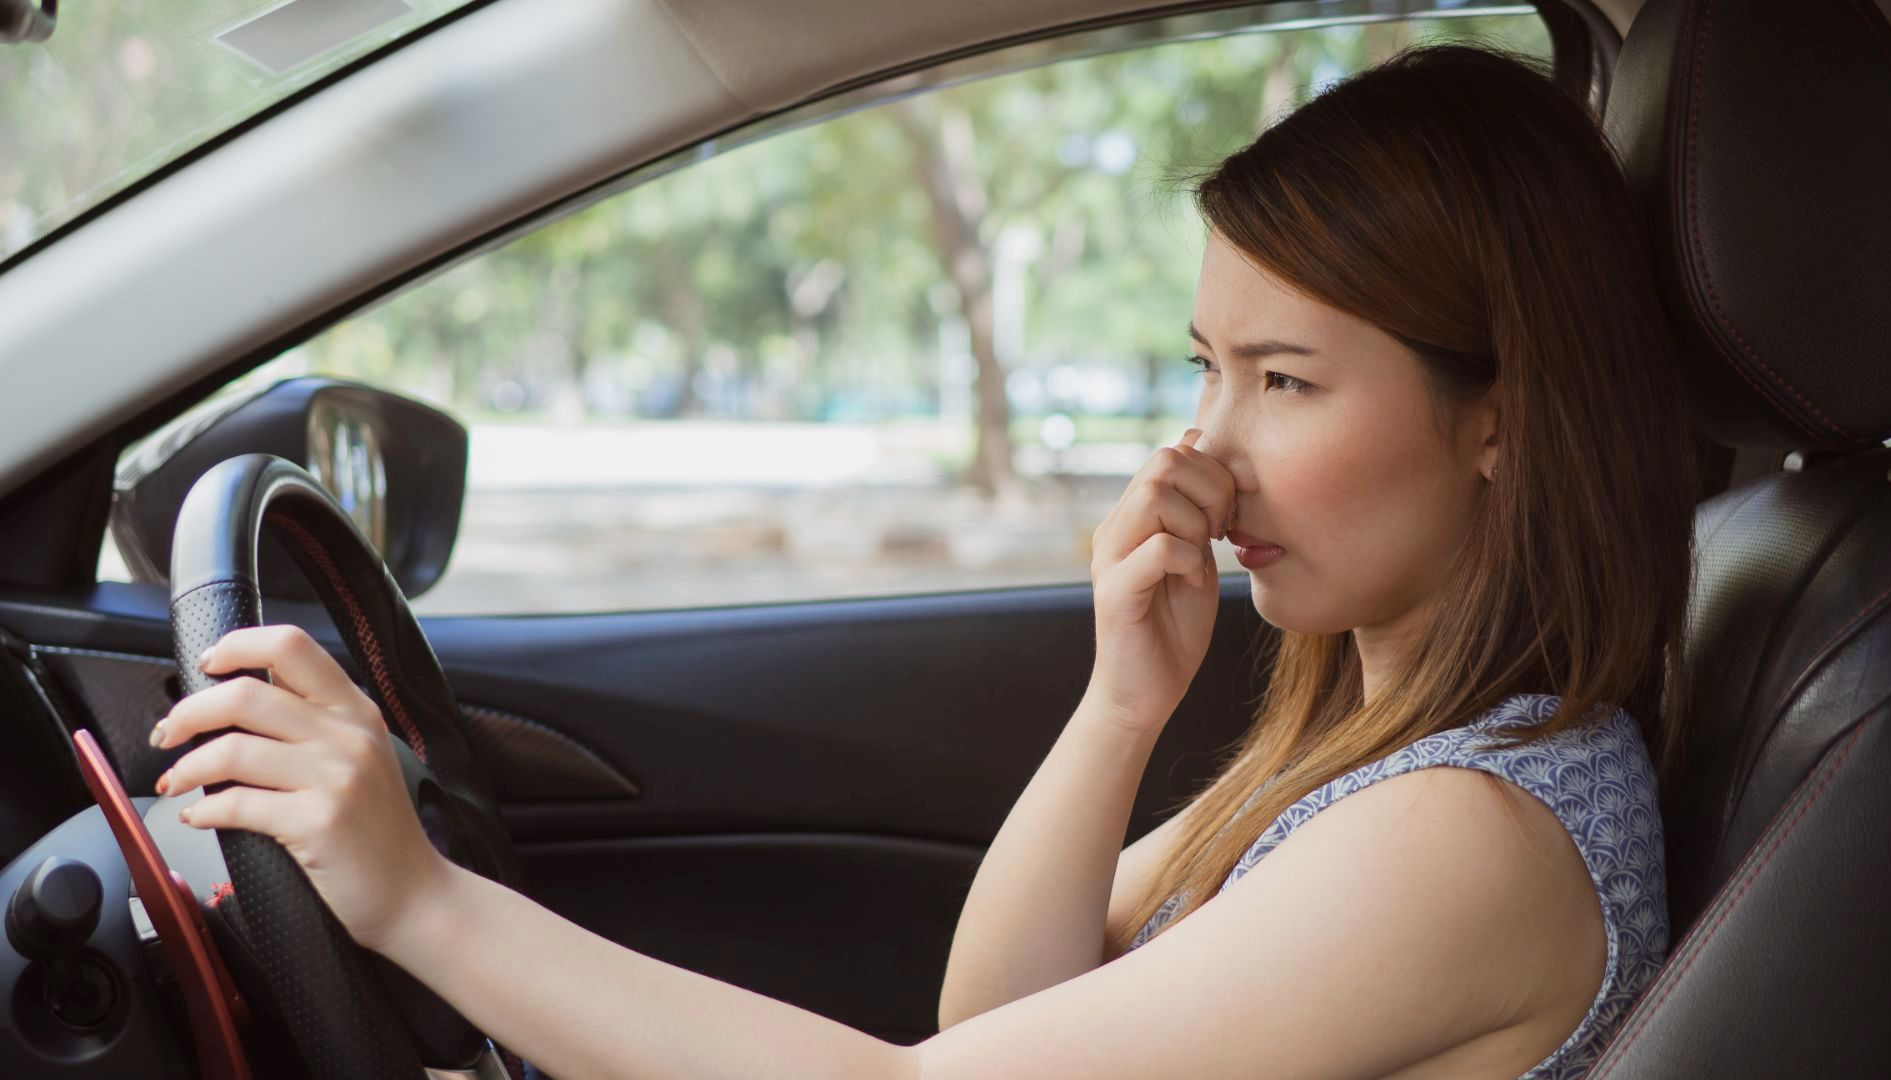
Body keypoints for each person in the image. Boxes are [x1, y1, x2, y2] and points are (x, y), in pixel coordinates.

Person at [144, 42, 1696, 1080]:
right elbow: (999, 1017)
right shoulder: (1373, 751)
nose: (1201, 452)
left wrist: (423, 903)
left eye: (1284, 382)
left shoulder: (1474, 833)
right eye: (1202, 366)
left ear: (1499, 418)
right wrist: (1118, 709)